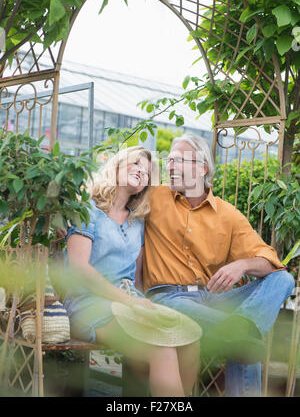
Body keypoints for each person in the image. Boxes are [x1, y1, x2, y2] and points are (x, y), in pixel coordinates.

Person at [139, 132, 295, 397]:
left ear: (202, 168)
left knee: (284, 279)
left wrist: (242, 265)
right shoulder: (153, 197)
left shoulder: (228, 215)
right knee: (245, 341)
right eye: (170, 161)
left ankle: (243, 329)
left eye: (179, 161)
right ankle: (242, 332)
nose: (170, 166)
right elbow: (112, 197)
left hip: (210, 299)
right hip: (167, 298)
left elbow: (271, 263)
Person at [63, 145, 201, 397]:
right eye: (135, 164)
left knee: (190, 339)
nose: (141, 172)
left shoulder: (137, 221)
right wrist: (130, 303)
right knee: (162, 350)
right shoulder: (87, 209)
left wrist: (142, 305)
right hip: (89, 304)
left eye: (147, 173)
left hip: (129, 303)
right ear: (116, 166)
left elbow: (136, 279)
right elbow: (79, 269)